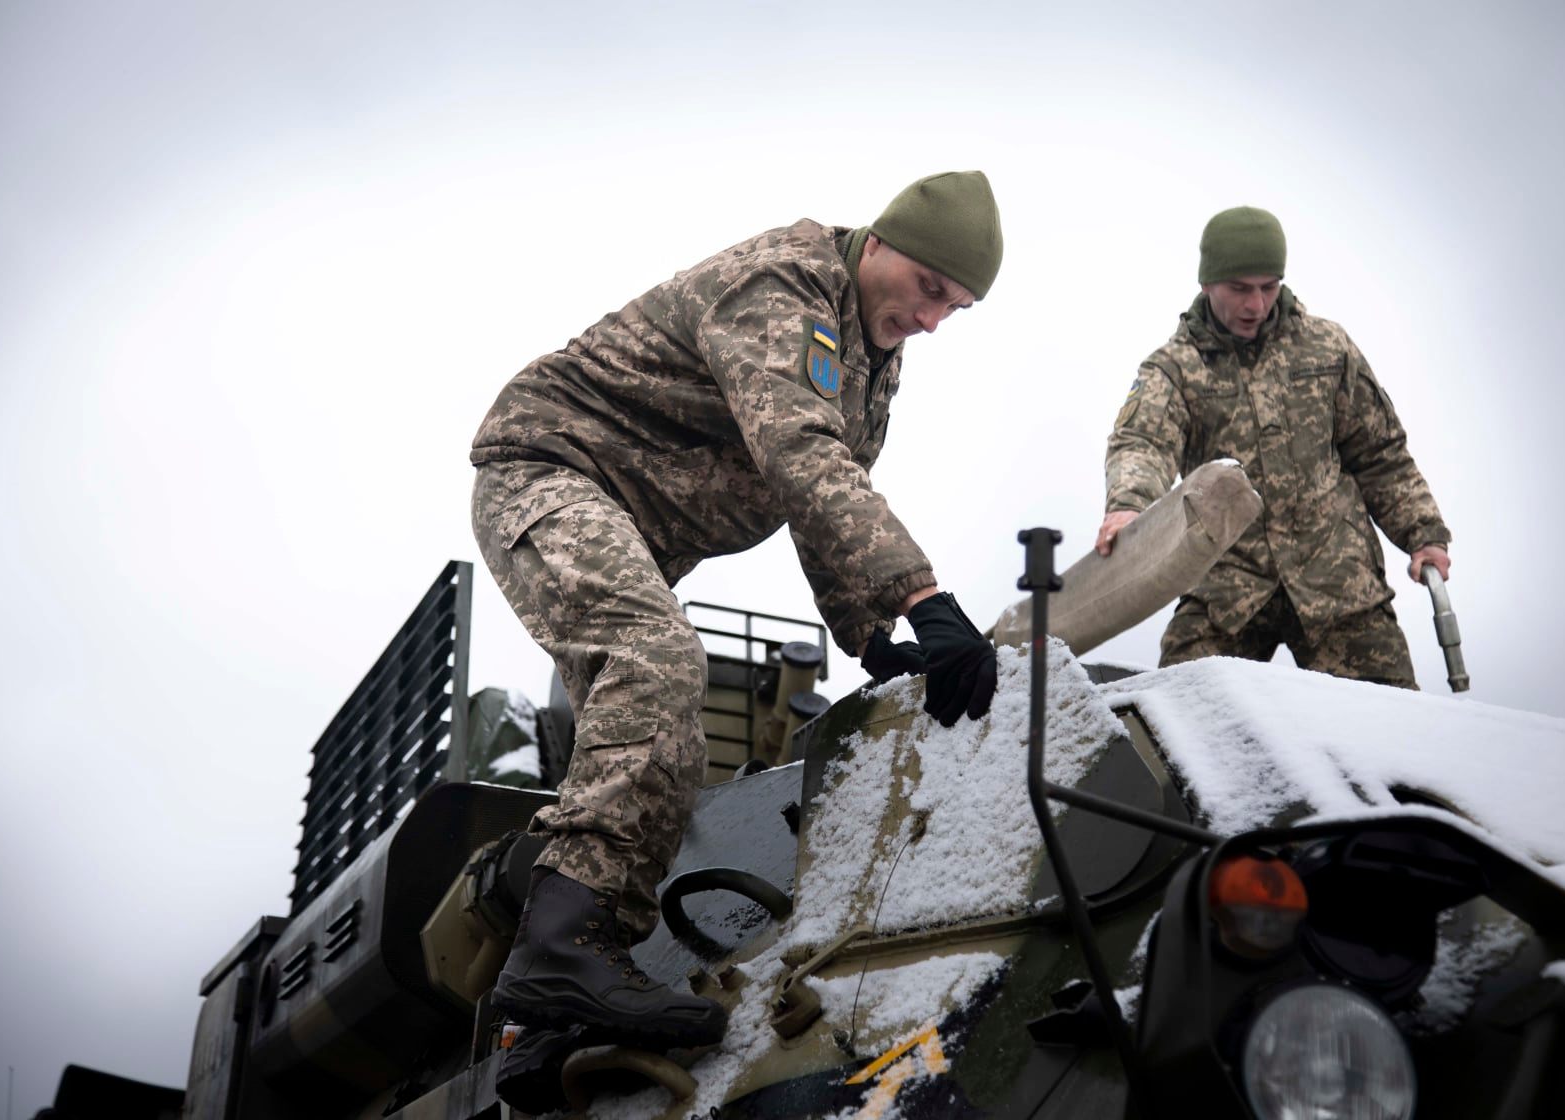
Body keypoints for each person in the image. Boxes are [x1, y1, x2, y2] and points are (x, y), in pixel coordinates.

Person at [469, 171, 1003, 1051]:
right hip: (548, 474)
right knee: (659, 665)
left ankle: (547, 1021)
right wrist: (926, 600)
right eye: (930, 289)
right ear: (879, 245)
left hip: (631, 530)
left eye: (959, 307)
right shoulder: (783, 285)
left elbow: (831, 493)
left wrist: (872, 638)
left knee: (663, 742)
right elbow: (799, 453)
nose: (935, 318)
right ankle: (562, 951)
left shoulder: (872, 355)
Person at [1096, 206, 1451, 688]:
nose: (1256, 304)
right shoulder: (1175, 368)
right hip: (1227, 584)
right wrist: (1127, 509)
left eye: (1269, 286)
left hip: (1338, 580)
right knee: (1176, 716)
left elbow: (1380, 452)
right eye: (1240, 289)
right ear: (1207, 284)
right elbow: (1143, 443)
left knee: (1393, 728)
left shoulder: (1327, 348)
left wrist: (1423, 533)